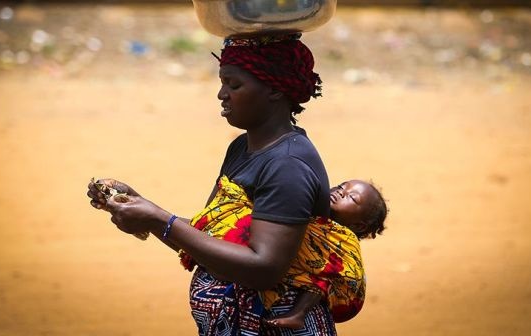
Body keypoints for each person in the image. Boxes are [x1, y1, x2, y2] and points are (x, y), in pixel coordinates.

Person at [87, 34, 337, 335]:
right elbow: (207, 239)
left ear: (274, 89)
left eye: (234, 85)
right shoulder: (243, 148)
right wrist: (140, 207)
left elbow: (264, 269)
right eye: (222, 83)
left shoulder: (287, 165)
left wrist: (158, 218)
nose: (221, 94)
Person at [265, 180, 388, 330]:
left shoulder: (344, 240)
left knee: (326, 276)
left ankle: (298, 314)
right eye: (341, 186)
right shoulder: (314, 218)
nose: (340, 192)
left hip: (343, 294)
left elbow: (347, 272)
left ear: (358, 225)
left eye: (352, 198)